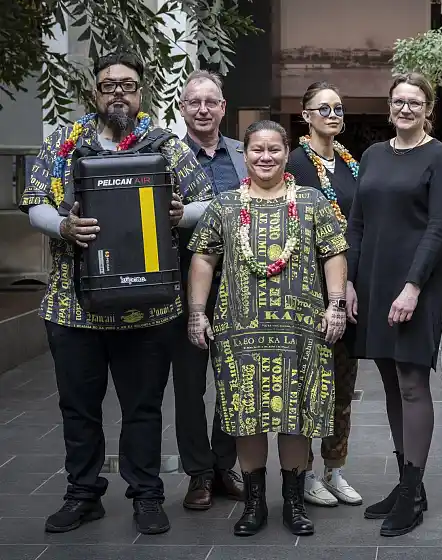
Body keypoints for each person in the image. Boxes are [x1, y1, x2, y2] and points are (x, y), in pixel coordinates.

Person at [18, 51, 213, 535]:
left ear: (141, 91)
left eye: (127, 84)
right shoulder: (65, 141)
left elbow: (208, 201)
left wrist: (177, 215)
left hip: (148, 312)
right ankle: (83, 495)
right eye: (109, 85)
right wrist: (63, 225)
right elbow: (35, 203)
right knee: (78, 408)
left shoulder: (165, 143)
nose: (118, 92)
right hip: (73, 308)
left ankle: (147, 495)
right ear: (95, 93)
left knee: (143, 409)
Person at [187, 120, 349, 538]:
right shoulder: (224, 206)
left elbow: (333, 253)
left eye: (274, 149)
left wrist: (335, 305)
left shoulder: (311, 201)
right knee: (247, 415)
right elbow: (203, 259)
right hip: (239, 329)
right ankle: (255, 501)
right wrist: (196, 312)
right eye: (257, 149)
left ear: (285, 152)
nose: (265, 157)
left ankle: (293, 500)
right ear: (245, 154)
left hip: (301, 329)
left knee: (295, 416)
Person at [346, 72, 442, 537]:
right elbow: (356, 223)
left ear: (427, 108)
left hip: (418, 284)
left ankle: (413, 491)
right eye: (399, 101)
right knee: (390, 384)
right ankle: (406, 478)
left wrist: (413, 286)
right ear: (389, 107)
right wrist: (349, 283)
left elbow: (439, 228)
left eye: (415, 102)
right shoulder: (373, 155)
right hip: (373, 281)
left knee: (413, 383)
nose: (406, 108)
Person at [286, 81, 363, 508]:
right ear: (306, 114)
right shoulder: (295, 163)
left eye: (337, 107)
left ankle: (336, 468)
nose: (332, 114)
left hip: (348, 289)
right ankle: (306, 473)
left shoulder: (350, 165)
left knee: (342, 383)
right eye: (323, 108)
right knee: (307, 385)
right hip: (308, 291)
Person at [174, 69, 246, 511]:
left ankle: (225, 464)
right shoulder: (166, 155)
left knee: (233, 381)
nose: (202, 109)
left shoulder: (244, 153)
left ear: (223, 108)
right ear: (182, 108)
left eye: (211, 101)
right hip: (182, 286)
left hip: (239, 286)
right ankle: (197, 472)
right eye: (193, 102)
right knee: (187, 384)